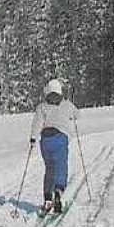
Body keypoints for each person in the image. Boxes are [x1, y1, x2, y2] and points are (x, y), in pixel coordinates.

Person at [28, 78, 81, 215]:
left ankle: (47, 198)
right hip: (60, 138)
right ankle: (58, 192)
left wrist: (33, 138)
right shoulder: (66, 104)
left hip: (45, 141)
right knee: (61, 166)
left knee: (49, 169)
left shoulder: (42, 107)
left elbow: (37, 124)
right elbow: (78, 115)